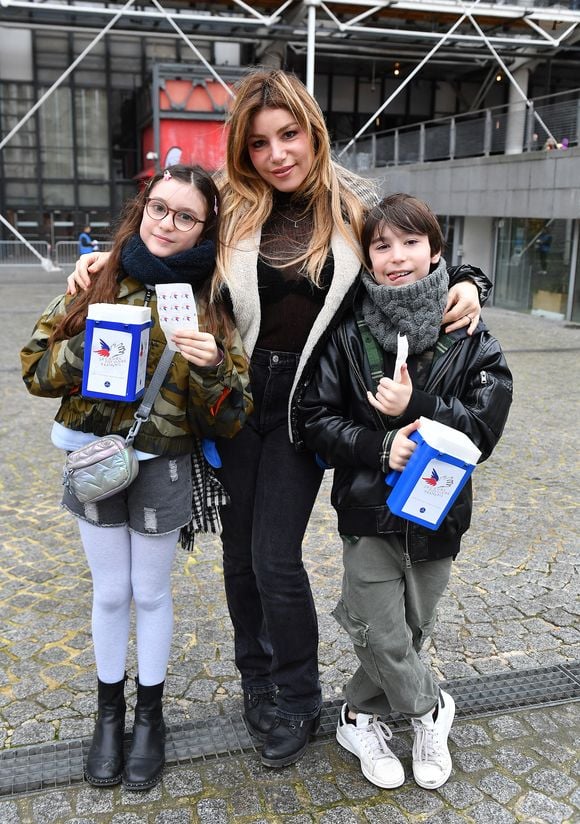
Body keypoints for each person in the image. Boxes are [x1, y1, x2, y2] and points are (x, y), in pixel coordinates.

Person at [66, 68, 490, 769]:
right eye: (260, 143)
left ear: (312, 132)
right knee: (238, 558)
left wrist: (473, 282)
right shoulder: (234, 206)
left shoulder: (353, 209)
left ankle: (296, 692)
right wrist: (104, 261)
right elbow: (167, 247)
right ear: (245, 150)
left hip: (306, 402)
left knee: (275, 557)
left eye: (288, 135)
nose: (277, 154)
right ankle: (256, 681)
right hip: (232, 396)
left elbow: (416, 249)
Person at [21, 164, 252, 792]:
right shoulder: (97, 277)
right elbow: (33, 371)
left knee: (150, 595)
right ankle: (108, 715)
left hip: (167, 462)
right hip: (95, 461)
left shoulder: (213, 298)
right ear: (141, 208)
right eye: (158, 208)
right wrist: (84, 345)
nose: (167, 225)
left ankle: (149, 718)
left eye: (185, 216)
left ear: (205, 227)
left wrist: (209, 366)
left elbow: (234, 414)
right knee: (109, 592)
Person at [297, 193, 512, 790]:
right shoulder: (345, 333)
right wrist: (377, 445)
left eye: (411, 242)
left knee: (413, 627)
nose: (397, 257)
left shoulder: (472, 336)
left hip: (438, 511)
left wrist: (417, 406)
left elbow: (485, 425)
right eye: (382, 245)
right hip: (368, 508)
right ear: (366, 258)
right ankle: (427, 709)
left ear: (436, 249)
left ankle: (356, 713)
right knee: (377, 626)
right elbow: (314, 416)